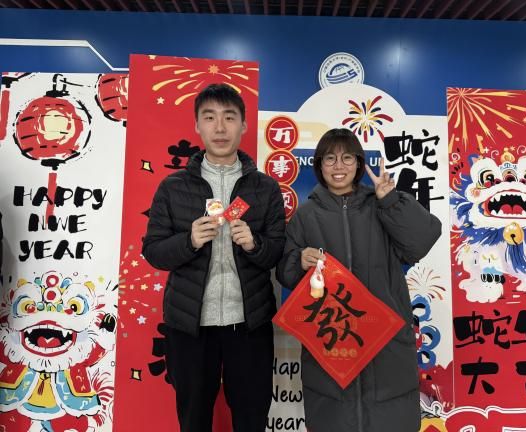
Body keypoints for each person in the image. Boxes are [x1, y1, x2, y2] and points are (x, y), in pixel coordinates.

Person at [276, 128, 441, 432]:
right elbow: (285, 273)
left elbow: (421, 242)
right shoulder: (305, 216)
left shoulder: (383, 205)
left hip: (386, 346)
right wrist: (299, 260)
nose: (338, 166)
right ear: (319, 165)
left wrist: (391, 201)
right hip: (331, 344)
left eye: (347, 158)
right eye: (330, 159)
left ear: (359, 163)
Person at [142, 83, 286, 432]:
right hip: (190, 326)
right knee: (193, 419)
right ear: (197, 125)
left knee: (252, 419)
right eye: (210, 117)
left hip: (249, 324)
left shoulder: (265, 188)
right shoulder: (173, 187)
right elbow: (154, 251)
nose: (220, 127)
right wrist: (189, 241)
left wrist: (254, 245)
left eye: (229, 117)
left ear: (244, 125)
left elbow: (277, 253)